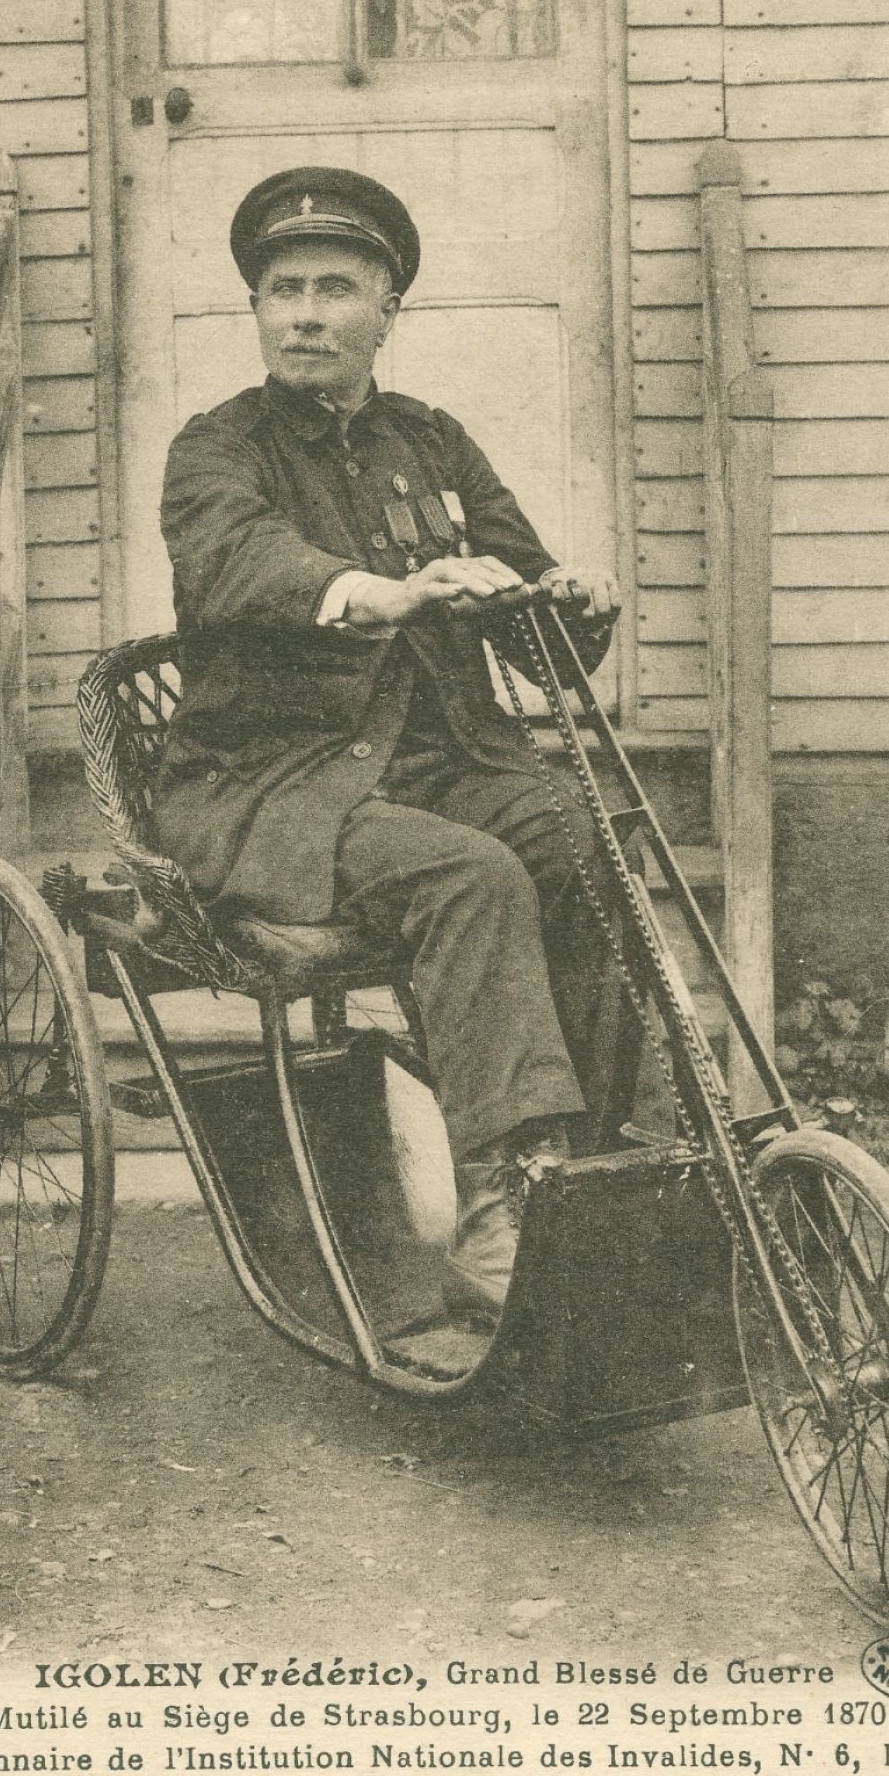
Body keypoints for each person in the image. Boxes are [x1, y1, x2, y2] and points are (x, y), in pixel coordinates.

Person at [154, 166, 632, 1317]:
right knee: (472, 874)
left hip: (444, 762)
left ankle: (600, 1170)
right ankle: (500, 1200)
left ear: (387, 310)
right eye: (283, 290)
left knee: (588, 842)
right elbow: (240, 562)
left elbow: (536, 630)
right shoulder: (217, 449)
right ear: (256, 308)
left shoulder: (433, 442)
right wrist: (383, 591)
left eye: (334, 289)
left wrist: (571, 604)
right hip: (278, 782)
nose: (305, 315)